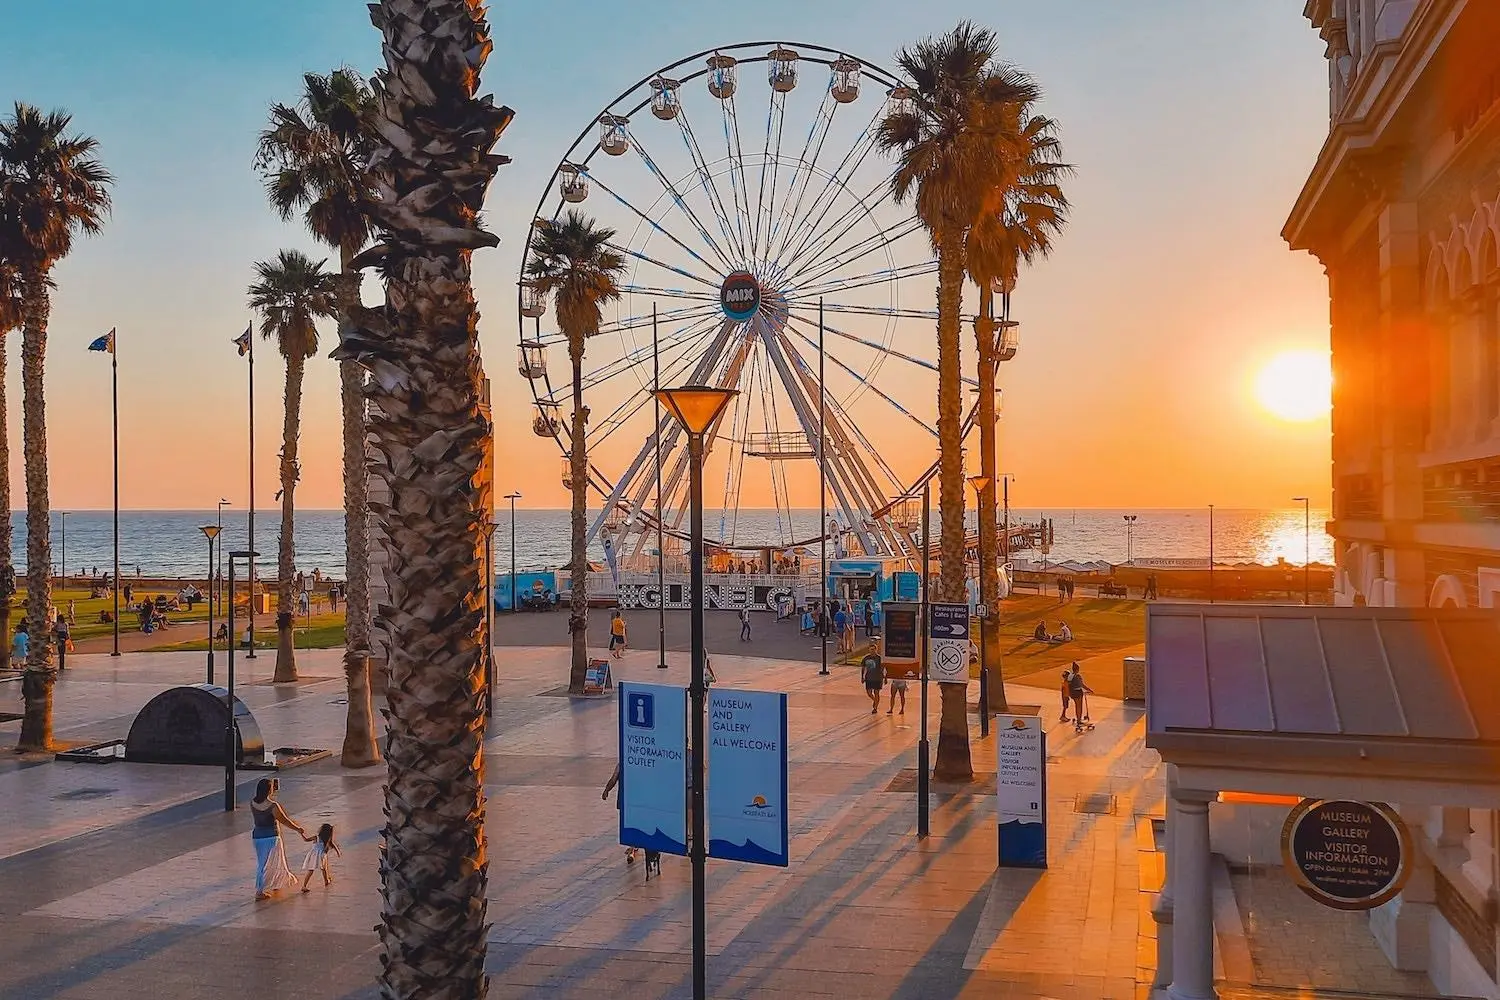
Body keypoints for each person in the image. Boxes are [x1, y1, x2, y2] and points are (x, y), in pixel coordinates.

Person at [250, 778, 310, 901]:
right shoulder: (273, 806)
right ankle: (259, 891)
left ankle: (273, 883)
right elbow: (285, 821)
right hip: (271, 837)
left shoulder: (252, 803)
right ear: (269, 790)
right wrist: (298, 829)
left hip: (257, 836)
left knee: (263, 862)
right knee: (270, 863)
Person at [602, 763, 640, 865]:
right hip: (633, 801)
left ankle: (632, 849)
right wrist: (606, 790)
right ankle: (634, 846)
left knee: (630, 824)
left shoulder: (621, 765)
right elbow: (613, 779)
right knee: (633, 824)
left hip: (627, 800)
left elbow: (613, 779)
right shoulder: (635, 764)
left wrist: (606, 790)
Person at [300, 823, 343, 892]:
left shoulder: (316, 837)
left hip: (314, 854)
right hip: (322, 855)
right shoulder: (327, 839)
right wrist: (338, 852)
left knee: (311, 870)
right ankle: (326, 881)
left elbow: (306, 839)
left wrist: (301, 833)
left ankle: (304, 886)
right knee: (324, 869)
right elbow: (333, 845)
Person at [1068, 663, 1094, 732]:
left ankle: (1078, 718)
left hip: (1073, 692)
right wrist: (1089, 689)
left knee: (1077, 706)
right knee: (1079, 706)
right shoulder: (1077, 676)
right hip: (1077, 692)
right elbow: (1082, 685)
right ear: (1077, 669)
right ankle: (1079, 720)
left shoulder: (1070, 676)